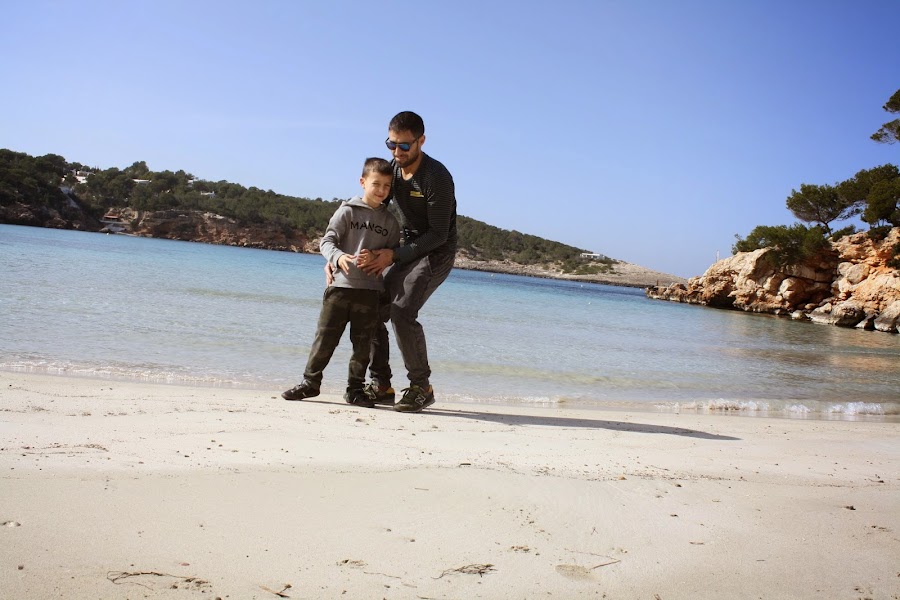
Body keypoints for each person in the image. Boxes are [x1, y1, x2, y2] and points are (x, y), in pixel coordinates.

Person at [330, 110, 457, 413]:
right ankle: (382, 384)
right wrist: (336, 256)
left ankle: (421, 387)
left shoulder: (436, 177)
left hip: (436, 252)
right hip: (405, 249)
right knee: (373, 308)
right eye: (391, 144)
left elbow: (438, 234)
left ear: (421, 141)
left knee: (401, 312)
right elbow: (370, 209)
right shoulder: (394, 173)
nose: (397, 152)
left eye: (404, 145)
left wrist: (392, 255)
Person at [282, 157, 400, 408]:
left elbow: (392, 254)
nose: (381, 190)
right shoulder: (347, 211)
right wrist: (337, 257)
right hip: (340, 287)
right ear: (363, 182)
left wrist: (378, 257)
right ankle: (310, 383)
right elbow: (327, 241)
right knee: (325, 338)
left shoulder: (391, 222)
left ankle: (355, 390)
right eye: (376, 184)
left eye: (386, 186)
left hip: (370, 292)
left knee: (362, 346)